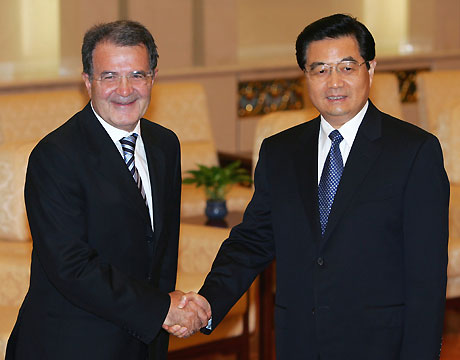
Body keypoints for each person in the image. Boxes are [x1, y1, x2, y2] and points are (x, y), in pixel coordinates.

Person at [178, 13, 450, 359]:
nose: (333, 82)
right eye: (320, 70)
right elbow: (253, 240)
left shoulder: (414, 151)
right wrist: (207, 301)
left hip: (380, 345)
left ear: (371, 68)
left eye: (347, 68)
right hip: (299, 341)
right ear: (305, 76)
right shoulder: (280, 151)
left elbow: (426, 275)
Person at [6, 20, 210, 360]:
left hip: (143, 342)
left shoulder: (165, 145)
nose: (125, 89)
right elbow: (72, 266)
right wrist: (162, 309)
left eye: (137, 75)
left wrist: (163, 320)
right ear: (88, 82)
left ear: (153, 78)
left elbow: (160, 252)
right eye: (110, 76)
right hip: (72, 345)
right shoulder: (55, 156)